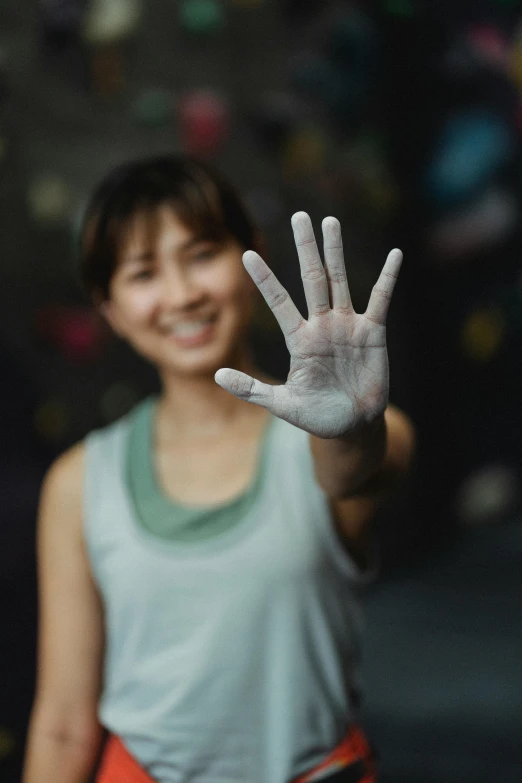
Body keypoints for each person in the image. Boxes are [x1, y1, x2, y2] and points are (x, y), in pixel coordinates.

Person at [22, 155, 415, 783]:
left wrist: (352, 424)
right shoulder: (78, 481)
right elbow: (65, 720)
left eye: (202, 254)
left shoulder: (358, 431)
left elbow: (356, 470)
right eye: (144, 273)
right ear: (112, 310)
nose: (181, 295)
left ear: (250, 258)